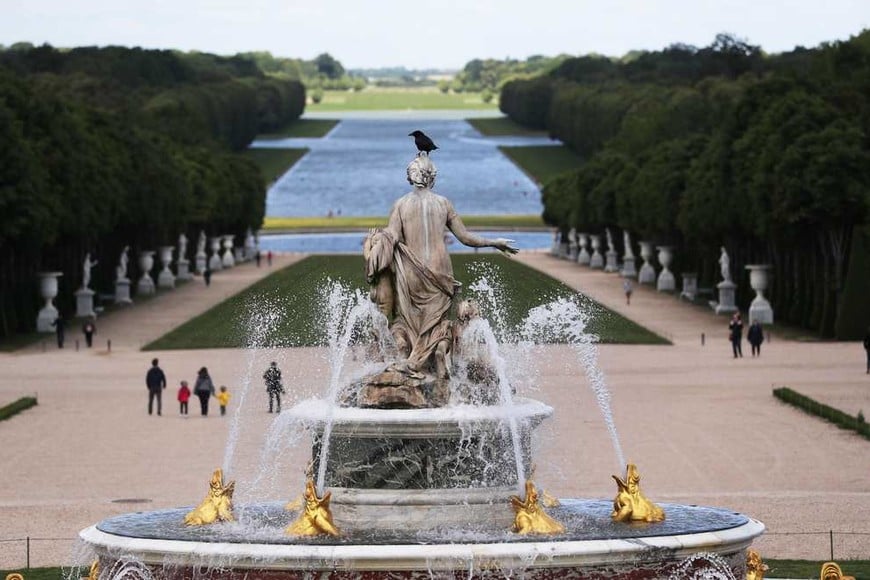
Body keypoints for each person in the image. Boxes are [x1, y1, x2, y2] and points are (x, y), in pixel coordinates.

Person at [363, 155, 517, 380]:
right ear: (432, 178)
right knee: (438, 322)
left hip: (413, 272)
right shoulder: (443, 203)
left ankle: (408, 359)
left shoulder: (401, 204)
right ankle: (436, 355)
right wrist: (494, 242)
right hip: (440, 271)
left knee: (408, 320)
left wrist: (373, 249)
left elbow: (392, 237)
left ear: (410, 177)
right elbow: (465, 237)